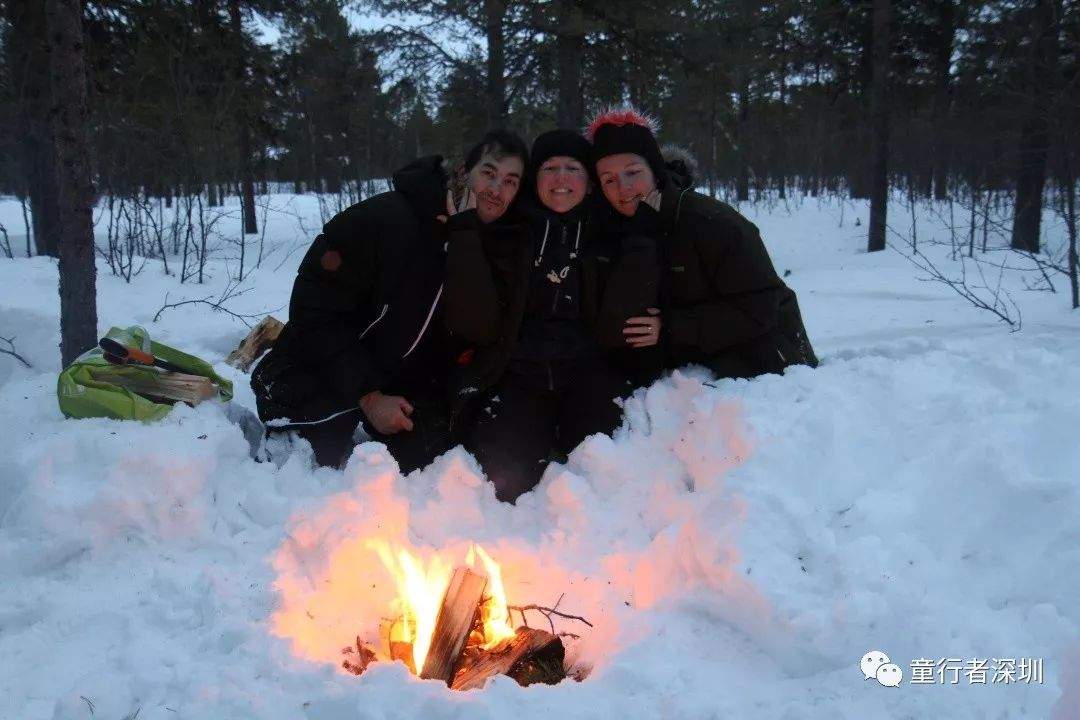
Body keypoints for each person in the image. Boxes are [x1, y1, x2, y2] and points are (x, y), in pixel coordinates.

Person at [444, 129, 659, 502]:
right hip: (519, 373)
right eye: (549, 168)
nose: (561, 179)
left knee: (605, 472)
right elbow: (476, 319)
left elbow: (620, 318)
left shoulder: (609, 232)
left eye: (572, 169)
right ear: (534, 180)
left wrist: (641, 237)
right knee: (505, 480)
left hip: (589, 372)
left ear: (590, 184)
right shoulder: (508, 231)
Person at [250, 154, 455, 470]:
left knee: (431, 461)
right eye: (488, 174)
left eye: (510, 182)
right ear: (462, 173)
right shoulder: (383, 221)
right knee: (301, 469)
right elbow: (314, 314)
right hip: (318, 370)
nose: (494, 190)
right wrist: (369, 397)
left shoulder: (476, 243)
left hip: (393, 381)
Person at [587, 108, 818, 379]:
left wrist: (670, 327)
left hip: (769, 360)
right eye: (608, 179)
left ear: (655, 171)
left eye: (633, 172)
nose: (622, 187)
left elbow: (760, 307)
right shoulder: (612, 230)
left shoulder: (711, 222)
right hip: (691, 359)